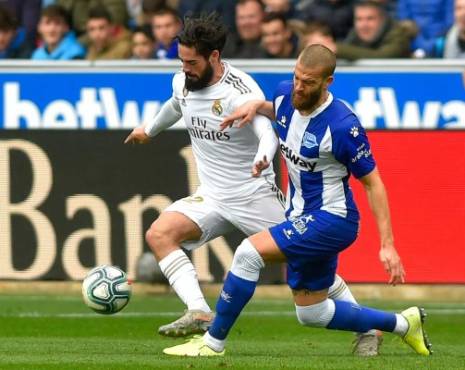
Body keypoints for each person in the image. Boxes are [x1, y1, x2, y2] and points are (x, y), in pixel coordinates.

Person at [125, 13, 381, 356]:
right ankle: (200, 312)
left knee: (306, 263)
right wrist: (149, 130)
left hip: (253, 194)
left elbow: (268, 130)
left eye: (191, 62)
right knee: (160, 234)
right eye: (181, 61)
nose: (184, 69)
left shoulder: (239, 89)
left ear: (214, 57)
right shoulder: (182, 82)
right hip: (213, 195)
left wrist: (262, 156)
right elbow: (176, 104)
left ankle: (369, 327)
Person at [162, 44, 433, 358]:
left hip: (334, 219)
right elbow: (279, 110)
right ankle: (404, 323)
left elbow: (374, 184)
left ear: (327, 82)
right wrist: (256, 108)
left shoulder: (343, 126)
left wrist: (387, 244)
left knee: (248, 254)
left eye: (308, 83)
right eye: (296, 78)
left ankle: (212, 343)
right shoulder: (284, 94)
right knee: (312, 312)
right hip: (299, 216)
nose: (299, 88)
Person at [336, 0, 415, 60]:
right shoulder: (355, 33)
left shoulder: (399, 33)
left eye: (370, 18)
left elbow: (381, 57)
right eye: (359, 19)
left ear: (382, 20)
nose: (364, 25)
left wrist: (337, 49)